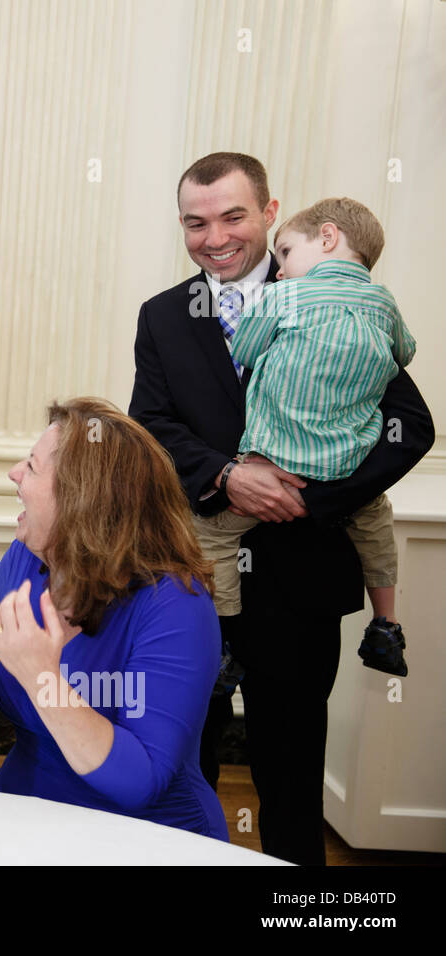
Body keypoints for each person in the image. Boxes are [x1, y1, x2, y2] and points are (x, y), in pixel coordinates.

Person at [128, 152, 432, 864]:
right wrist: (228, 476)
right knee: (188, 757)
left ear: (269, 213)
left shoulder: (346, 300)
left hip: (304, 576)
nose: (215, 237)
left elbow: (408, 427)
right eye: (195, 223)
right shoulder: (163, 317)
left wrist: (307, 499)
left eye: (233, 216)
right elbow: (153, 428)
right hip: (197, 584)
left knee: (291, 773)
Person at [0, 399, 228, 839]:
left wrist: (43, 678)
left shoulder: (176, 607)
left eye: (32, 467)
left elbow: (140, 782)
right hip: (27, 814)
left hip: (142, 838)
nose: (14, 474)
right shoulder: (36, 553)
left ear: (83, 500)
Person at [192, 197, 415, 676]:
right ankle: (386, 624)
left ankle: (221, 642)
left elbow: (248, 350)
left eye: (286, 253)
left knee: (210, 538)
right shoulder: (383, 303)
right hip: (349, 460)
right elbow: (404, 352)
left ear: (328, 237)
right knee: (376, 524)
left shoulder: (282, 298)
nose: (279, 269)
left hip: (277, 466)